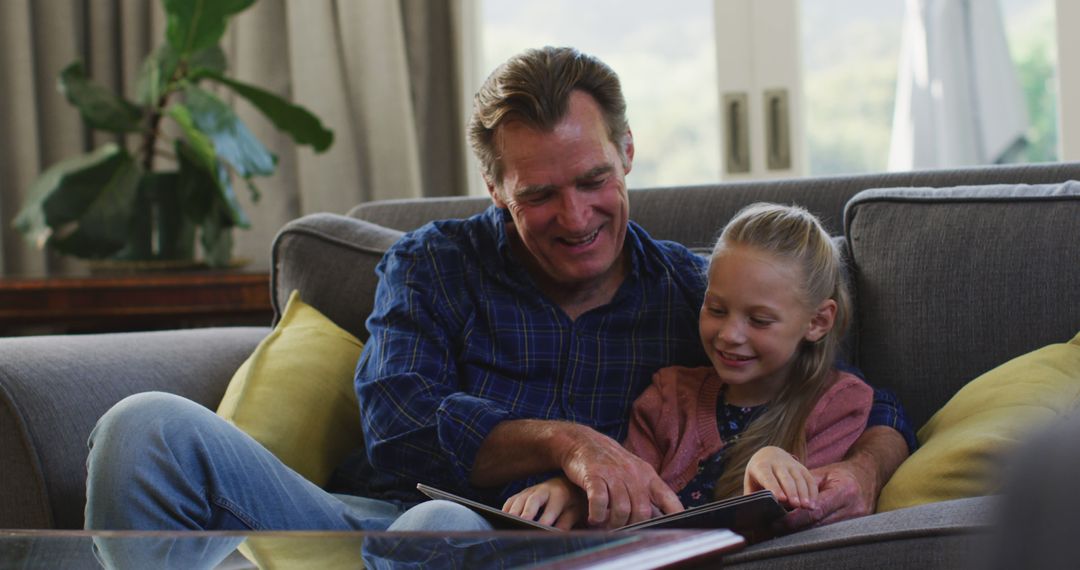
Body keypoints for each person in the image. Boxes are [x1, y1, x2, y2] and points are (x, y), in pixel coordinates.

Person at [85, 46, 912, 544]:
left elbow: (856, 394)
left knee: (442, 533)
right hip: (357, 522)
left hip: (526, 551)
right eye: (539, 195)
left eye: (594, 180)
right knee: (142, 427)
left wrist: (866, 469)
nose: (577, 217)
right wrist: (567, 441)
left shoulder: (691, 297)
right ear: (492, 186)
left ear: (626, 152)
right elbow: (400, 423)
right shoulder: (433, 265)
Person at [501, 203, 872, 530]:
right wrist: (576, 493)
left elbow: (802, 520)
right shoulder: (670, 396)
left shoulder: (838, 404)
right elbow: (629, 493)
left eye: (759, 320)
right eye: (716, 309)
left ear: (818, 322)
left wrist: (767, 463)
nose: (729, 335)